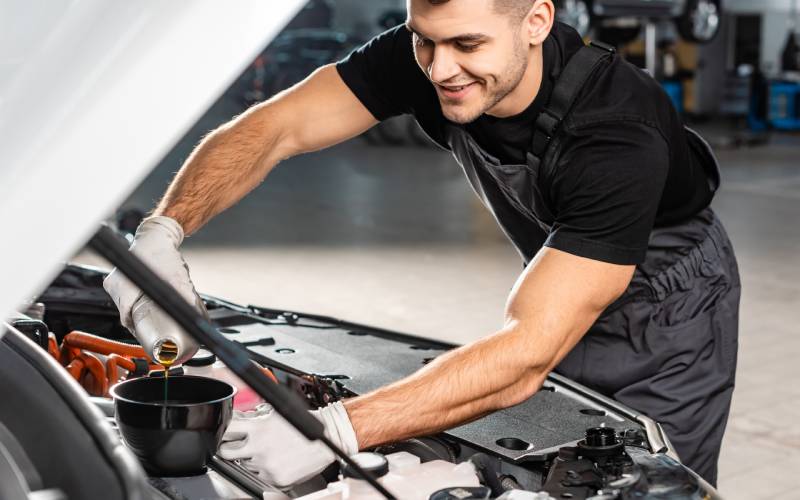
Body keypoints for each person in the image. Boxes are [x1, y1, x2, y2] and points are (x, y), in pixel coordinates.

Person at [103, 0, 739, 488]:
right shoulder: (428, 57)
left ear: (537, 20)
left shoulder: (614, 132)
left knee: (636, 480)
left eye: (467, 44)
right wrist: (162, 231)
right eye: (424, 40)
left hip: (668, 307)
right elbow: (276, 127)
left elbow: (525, 355)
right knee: (549, 461)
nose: (440, 68)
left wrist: (332, 431)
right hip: (562, 268)